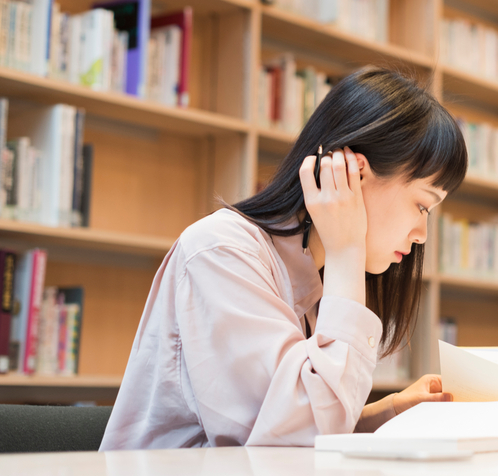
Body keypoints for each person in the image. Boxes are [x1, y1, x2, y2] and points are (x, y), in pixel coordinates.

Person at [100, 67, 469, 449]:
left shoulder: (313, 275)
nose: (421, 235)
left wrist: (386, 413)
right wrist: (346, 251)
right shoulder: (222, 252)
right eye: (423, 207)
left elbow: (292, 426)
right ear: (354, 174)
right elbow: (292, 442)